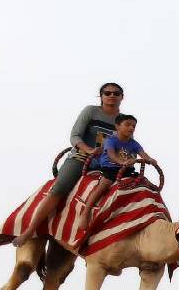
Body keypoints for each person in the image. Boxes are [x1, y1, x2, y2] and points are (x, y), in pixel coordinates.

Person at [12, 83, 125, 246]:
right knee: (60, 188)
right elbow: (75, 136)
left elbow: (127, 143)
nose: (112, 96)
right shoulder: (91, 111)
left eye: (116, 93)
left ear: (122, 97)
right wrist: (88, 150)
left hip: (108, 165)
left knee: (125, 192)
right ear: (101, 96)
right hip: (82, 158)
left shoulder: (124, 120)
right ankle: (30, 230)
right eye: (107, 93)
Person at [78, 114, 158, 228]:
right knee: (103, 186)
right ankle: (86, 213)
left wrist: (149, 159)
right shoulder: (110, 140)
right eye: (128, 125)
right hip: (110, 168)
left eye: (134, 126)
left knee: (145, 183)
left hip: (126, 169)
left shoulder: (133, 143)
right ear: (117, 126)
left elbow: (142, 153)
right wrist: (122, 162)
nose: (131, 128)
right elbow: (111, 155)